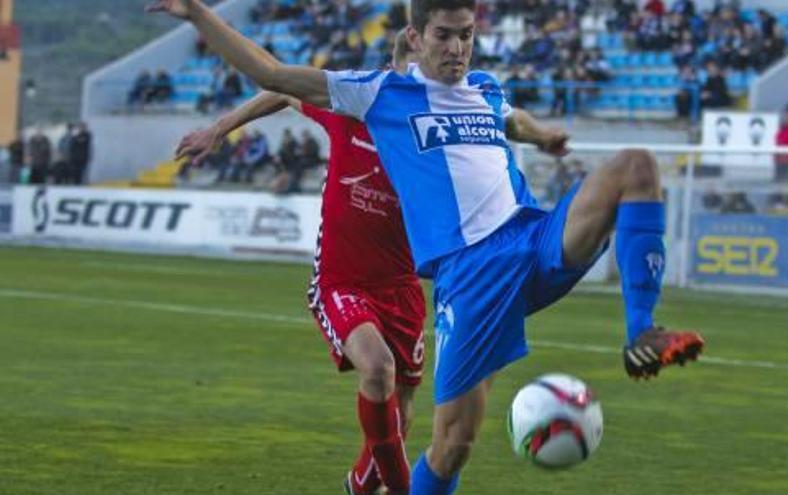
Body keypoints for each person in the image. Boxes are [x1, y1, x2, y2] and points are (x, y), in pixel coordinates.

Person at [149, 2, 705, 494]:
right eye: (444, 34)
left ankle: (641, 332)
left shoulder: (486, 86)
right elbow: (270, 74)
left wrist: (543, 137)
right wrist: (198, 12)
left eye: (466, 34)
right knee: (452, 445)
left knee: (636, 166)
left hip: (534, 240)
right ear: (415, 38)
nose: (457, 47)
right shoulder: (378, 94)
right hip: (472, 275)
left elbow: (514, 119)